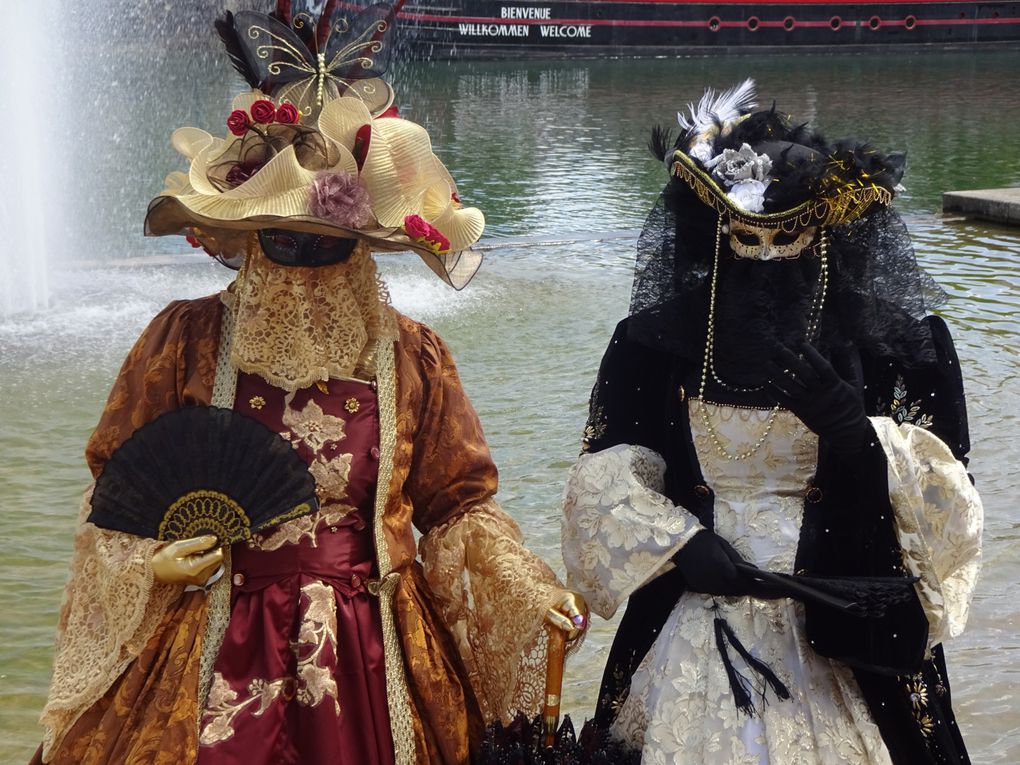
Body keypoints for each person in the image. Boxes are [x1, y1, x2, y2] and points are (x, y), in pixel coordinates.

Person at [33, 4, 586, 764]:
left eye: (325, 249)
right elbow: (113, 498)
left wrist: (527, 587)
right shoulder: (183, 342)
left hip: (371, 645)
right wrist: (147, 564)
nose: (302, 269)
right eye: (283, 242)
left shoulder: (413, 357)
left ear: (360, 252)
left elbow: (459, 509)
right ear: (252, 240)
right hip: (215, 633)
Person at [562, 79, 982, 764]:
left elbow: (952, 517)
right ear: (715, 225)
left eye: (785, 233)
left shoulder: (895, 350)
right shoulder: (658, 341)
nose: (761, 253)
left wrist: (861, 439)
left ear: (826, 225)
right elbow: (603, 470)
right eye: (743, 232)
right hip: (692, 619)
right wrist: (677, 540)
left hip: (845, 622)